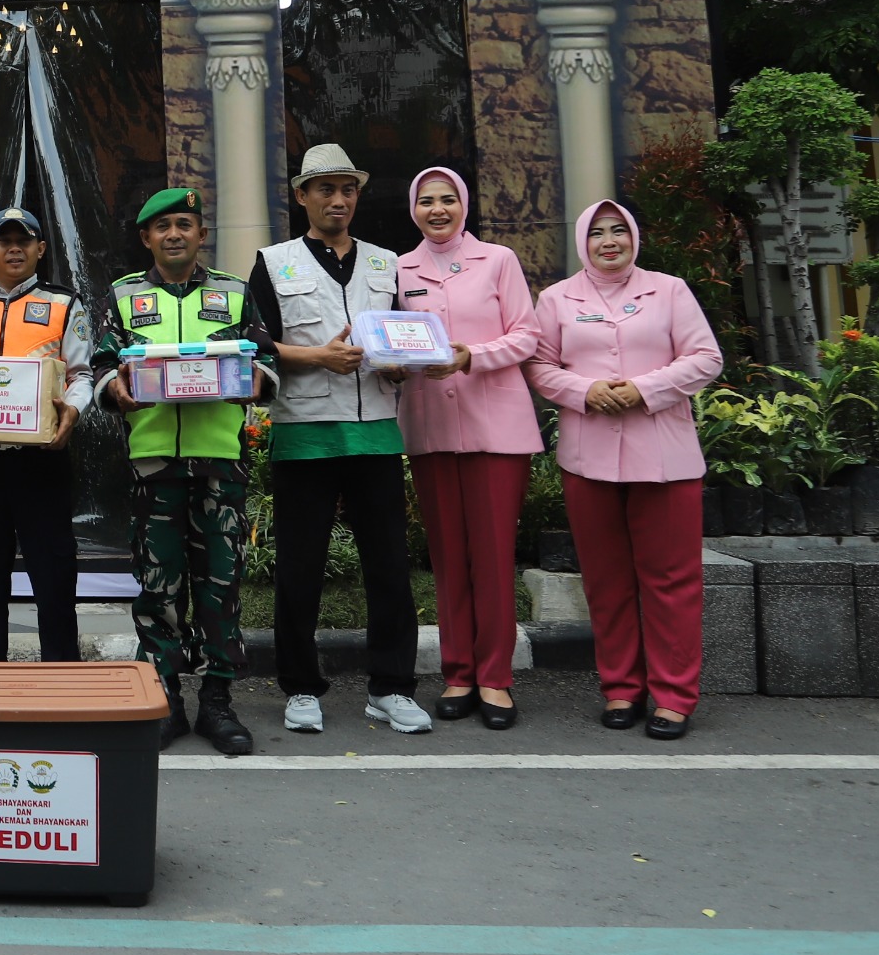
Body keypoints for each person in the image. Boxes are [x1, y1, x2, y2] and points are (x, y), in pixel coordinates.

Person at [248, 143, 433, 738]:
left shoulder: (387, 263)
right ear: (301, 196)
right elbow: (255, 344)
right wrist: (317, 356)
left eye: (347, 189)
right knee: (300, 570)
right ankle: (301, 687)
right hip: (305, 434)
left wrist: (404, 362)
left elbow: (404, 335)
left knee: (389, 568)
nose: (338, 200)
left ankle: (392, 687)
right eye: (324, 189)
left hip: (377, 432)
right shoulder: (273, 262)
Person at [525, 200, 723, 739]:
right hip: (588, 458)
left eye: (619, 231)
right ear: (582, 241)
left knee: (671, 581)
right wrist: (585, 391)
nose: (608, 241)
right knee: (606, 582)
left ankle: (674, 695)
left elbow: (706, 358)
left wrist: (645, 388)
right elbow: (539, 366)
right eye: (597, 232)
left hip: (666, 457)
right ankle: (620, 688)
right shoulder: (557, 297)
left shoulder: (670, 289)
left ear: (635, 236)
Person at [90, 187, 276, 755]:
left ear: (201, 235)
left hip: (220, 463)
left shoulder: (234, 293)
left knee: (220, 586)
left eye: (185, 224)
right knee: (157, 587)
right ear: (146, 238)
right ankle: (165, 699)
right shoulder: (123, 297)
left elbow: (266, 362)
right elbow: (101, 365)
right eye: (163, 226)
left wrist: (250, 380)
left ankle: (217, 704)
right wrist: (115, 390)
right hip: (154, 467)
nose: (175, 234)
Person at [394, 167, 541, 730]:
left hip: (496, 428)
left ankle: (495, 678)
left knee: (494, 556)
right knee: (448, 557)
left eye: (447, 199)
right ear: (413, 209)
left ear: (464, 204)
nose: (437, 209)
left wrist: (470, 356)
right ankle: (457, 672)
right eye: (426, 200)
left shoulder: (498, 260)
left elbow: (526, 335)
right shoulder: (399, 269)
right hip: (430, 428)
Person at [0, 207, 91, 662]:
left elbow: (82, 374)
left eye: (24, 241)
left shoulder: (66, 304)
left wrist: (74, 409)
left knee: (53, 575)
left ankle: (62, 680)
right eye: (3, 241)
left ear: (40, 250)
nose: (14, 248)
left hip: (42, 461)